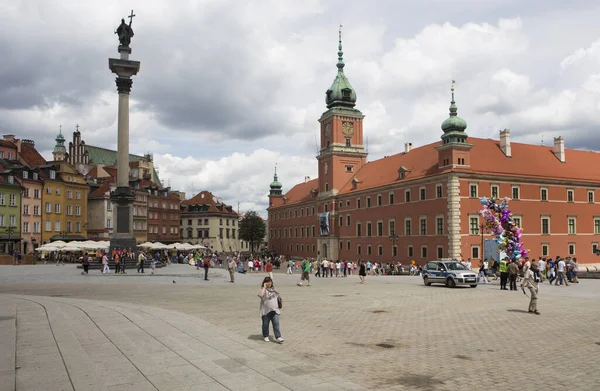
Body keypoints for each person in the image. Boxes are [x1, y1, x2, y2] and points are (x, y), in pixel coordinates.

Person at [258, 277, 284, 343]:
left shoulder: (273, 289)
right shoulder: (263, 290)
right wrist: (264, 287)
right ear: (264, 283)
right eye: (267, 282)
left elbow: (279, 296)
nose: (269, 283)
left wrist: (278, 294)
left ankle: (278, 337)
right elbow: (260, 295)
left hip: (275, 310)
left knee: (276, 324)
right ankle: (266, 336)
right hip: (266, 311)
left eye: (270, 281)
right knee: (265, 324)